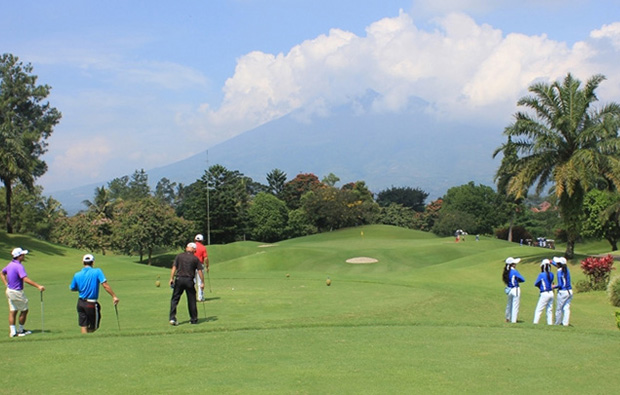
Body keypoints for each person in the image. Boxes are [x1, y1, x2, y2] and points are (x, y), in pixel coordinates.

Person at [1, 248, 45, 337]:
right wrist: (38, 286)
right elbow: (25, 279)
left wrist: (6, 284)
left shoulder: (10, 264)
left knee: (13, 311)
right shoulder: (19, 266)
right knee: (24, 310)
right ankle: (20, 330)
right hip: (17, 291)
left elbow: (2, 273)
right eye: (22, 255)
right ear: (19, 256)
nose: (24, 256)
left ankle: (13, 332)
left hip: (9, 290)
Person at [70, 254, 119, 334]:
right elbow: (105, 285)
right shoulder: (97, 271)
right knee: (94, 326)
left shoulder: (77, 274)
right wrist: (114, 296)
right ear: (93, 262)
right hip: (91, 303)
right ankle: (88, 339)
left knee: (84, 325)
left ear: (83, 262)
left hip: (80, 303)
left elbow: (72, 288)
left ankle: (84, 341)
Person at [169, 243, 204, 325]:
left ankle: (172, 318)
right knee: (191, 300)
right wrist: (202, 282)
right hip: (189, 280)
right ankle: (193, 319)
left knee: (175, 299)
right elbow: (200, 271)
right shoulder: (195, 258)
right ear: (194, 250)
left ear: (186, 248)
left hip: (179, 279)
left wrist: (171, 278)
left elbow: (174, 267)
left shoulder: (179, 256)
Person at [502, 257, 525, 323]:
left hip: (509, 289)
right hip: (515, 289)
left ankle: (507, 318)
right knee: (515, 305)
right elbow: (523, 279)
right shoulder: (514, 271)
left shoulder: (506, 272)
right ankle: (514, 320)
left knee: (509, 305)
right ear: (513, 264)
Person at [552, 256, 573, 326]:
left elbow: (560, 284)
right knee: (566, 308)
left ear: (559, 264)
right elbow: (559, 266)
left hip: (562, 292)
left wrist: (553, 286)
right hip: (569, 291)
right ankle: (565, 323)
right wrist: (552, 262)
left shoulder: (559, 272)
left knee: (559, 309)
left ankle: (557, 323)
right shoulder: (566, 269)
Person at [533, 259, 555, 325]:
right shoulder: (552, 274)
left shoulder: (541, 275)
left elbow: (536, 283)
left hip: (544, 293)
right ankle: (550, 323)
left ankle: (535, 323)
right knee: (549, 310)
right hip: (551, 293)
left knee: (539, 310)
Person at [193, 234, 209, 301]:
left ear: (195, 239)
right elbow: (205, 258)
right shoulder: (203, 247)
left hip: (191, 265)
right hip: (200, 265)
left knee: (193, 281)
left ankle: (192, 297)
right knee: (200, 282)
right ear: (202, 240)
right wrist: (207, 266)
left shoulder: (192, 246)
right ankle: (200, 297)